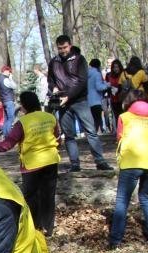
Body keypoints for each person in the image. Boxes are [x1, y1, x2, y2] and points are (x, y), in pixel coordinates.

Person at [0, 91, 61, 236]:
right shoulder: (50, 117)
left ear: (24, 105)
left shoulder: (22, 123)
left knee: (30, 197)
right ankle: (49, 228)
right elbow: (58, 138)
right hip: (51, 161)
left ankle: (34, 228)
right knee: (48, 195)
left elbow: (6, 145)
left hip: (32, 164)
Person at [48, 34, 112, 171]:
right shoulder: (54, 62)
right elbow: (51, 79)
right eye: (60, 48)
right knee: (69, 135)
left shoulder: (79, 59)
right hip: (62, 103)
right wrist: (53, 88)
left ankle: (100, 161)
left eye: (65, 47)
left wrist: (69, 96)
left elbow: (82, 81)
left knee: (91, 131)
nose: (62, 51)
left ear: (70, 45)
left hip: (80, 101)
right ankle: (75, 164)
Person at [109, 90, 148, 249]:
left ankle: (115, 240)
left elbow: (119, 137)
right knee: (145, 197)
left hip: (131, 162)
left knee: (122, 201)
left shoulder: (124, 117)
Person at [87, 58, 109, 133]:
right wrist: (107, 85)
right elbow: (99, 87)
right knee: (97, 120)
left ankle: (91, 138)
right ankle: (95, 139)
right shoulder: (97, 74)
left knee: (91, 121)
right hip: (96, 101)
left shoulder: (86, 74)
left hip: (87, 101)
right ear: (98, 65)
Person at [0, 66, 18, 136]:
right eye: (9, 72)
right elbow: (15, 86)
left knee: (6, 120)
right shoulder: (6, 79)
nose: (10, 73)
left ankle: (5, 136)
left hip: (4, 101)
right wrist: (11, 79)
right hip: (9, 101)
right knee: (11, 119)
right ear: (6, 71)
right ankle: (9, 136)